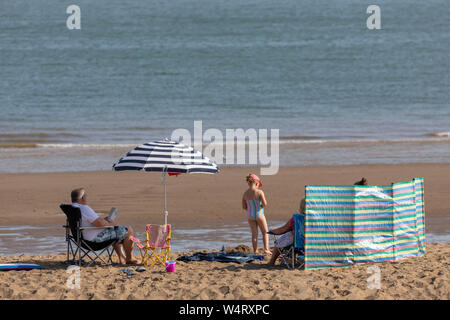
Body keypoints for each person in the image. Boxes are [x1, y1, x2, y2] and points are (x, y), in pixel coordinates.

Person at [70, 188, 137, 265]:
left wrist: (105, 221)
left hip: (81, 239)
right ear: (82, 197)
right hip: (94, 240)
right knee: (128, 230)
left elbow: (88, 222)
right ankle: (129, 258)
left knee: (115, 231)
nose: (86, 197)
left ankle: (121, 258)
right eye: (86, 195)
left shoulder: (72, 208)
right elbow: (99, 223)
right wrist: (110, 224)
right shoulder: (83, 208)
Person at [267, 198, 306, 265]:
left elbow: (283, 230)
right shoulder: (316, 219)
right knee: (294, 239)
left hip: (298, 243)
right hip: (311, 243)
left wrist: (273, 231)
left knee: (278, 243)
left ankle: (272, 261)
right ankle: (294, 260)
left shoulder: (296, 218)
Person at [242, 174, 271, 255]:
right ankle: (266, 249)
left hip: (250, 215)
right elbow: (265, 204)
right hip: (259, 213)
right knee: (265, 232)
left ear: (248, 183)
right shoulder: (259, 192)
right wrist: (260, 205)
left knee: (254, 234)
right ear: (257, 183)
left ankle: (255, 251)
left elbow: (244, 207)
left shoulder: (245, 194)